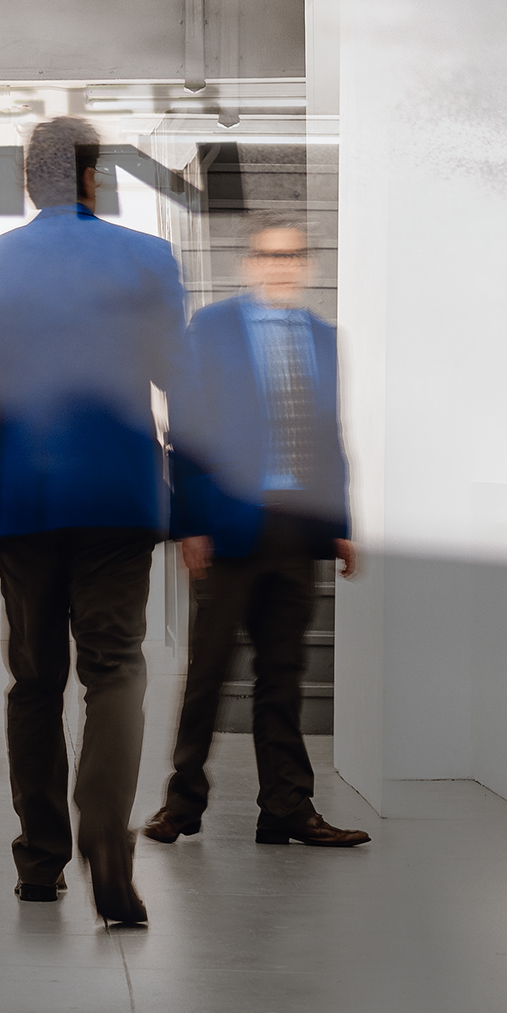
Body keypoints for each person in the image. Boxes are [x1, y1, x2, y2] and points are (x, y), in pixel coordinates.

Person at [0, 115, 184, 926]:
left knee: (35, 681)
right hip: (120, 497)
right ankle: (106, 838)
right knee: (115, 670)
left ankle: (40, 861)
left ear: (28, 181)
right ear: (92, 177)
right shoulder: (148, 257)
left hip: (26, 500)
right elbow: (183, 384)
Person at [148, 219, 370, 848]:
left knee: (283, 676)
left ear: (306, 265)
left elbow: (329, 432)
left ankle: (287, 808)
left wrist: (340, 524)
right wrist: (191, 523)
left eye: (292, 255)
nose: (281, 265)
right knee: (209, 672)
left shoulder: (325, 338)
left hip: (298, 528)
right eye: (270, 255)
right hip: (228, 526)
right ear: (249, 263)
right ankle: (182, 805)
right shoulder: (211, 329)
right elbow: (187, 429)